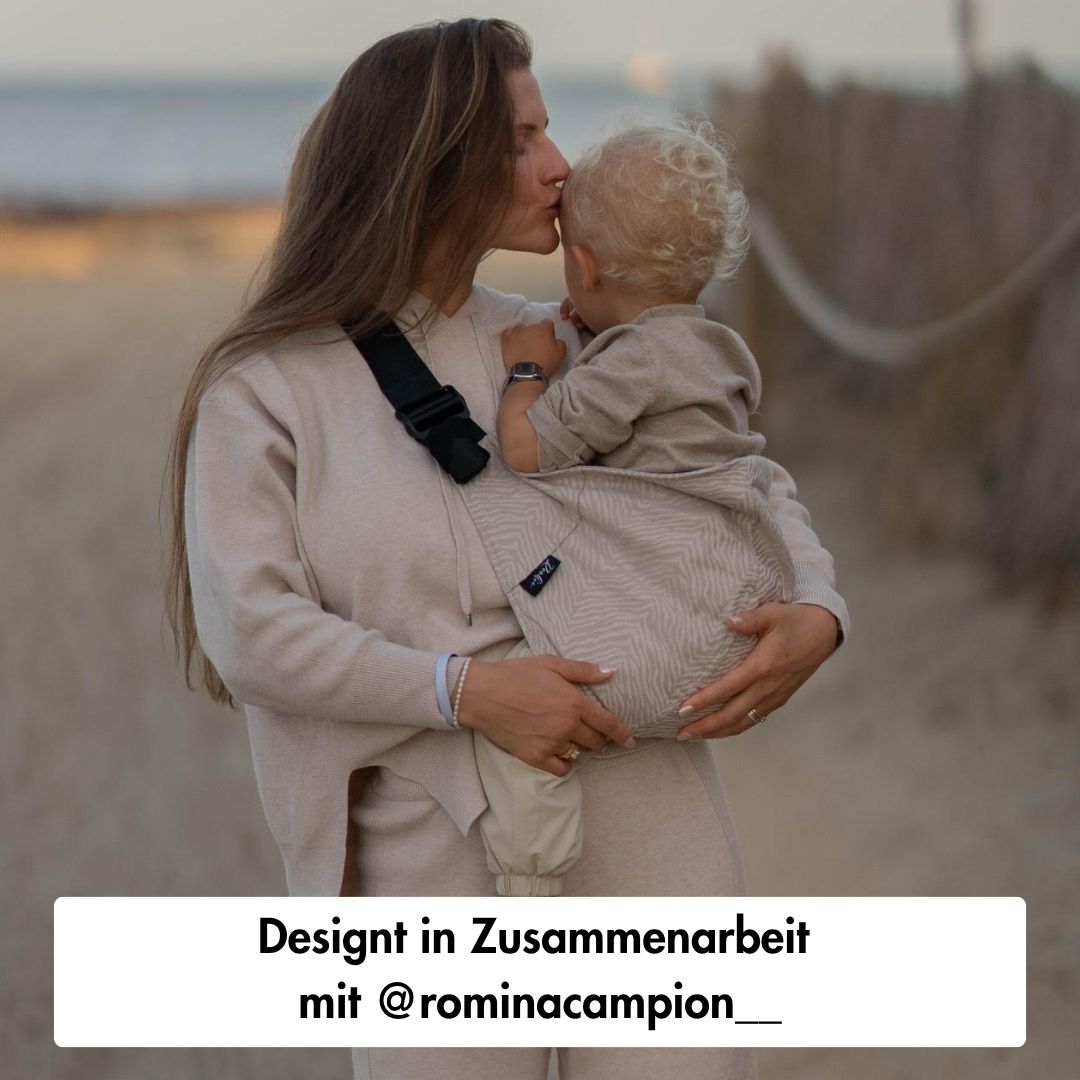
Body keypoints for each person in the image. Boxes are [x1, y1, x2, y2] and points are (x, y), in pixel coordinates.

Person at [164, 17, 847, 1080]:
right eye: (524, 137)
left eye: (548, 128)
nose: (559, 164)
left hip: (649, 834)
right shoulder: (266, 390)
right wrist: (466, 691)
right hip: (426, 866)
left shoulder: (573, 342)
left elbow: (740, 476)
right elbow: (250, 631)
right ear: (436, 165)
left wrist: (817, 607)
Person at [472, 119, 827, 899]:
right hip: (729, 614)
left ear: (586, 267)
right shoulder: (719, 349)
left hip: (645, 649)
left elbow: (529, 449)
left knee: (518, 709)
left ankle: (528, 876)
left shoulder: (631, 365)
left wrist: (530, 370)